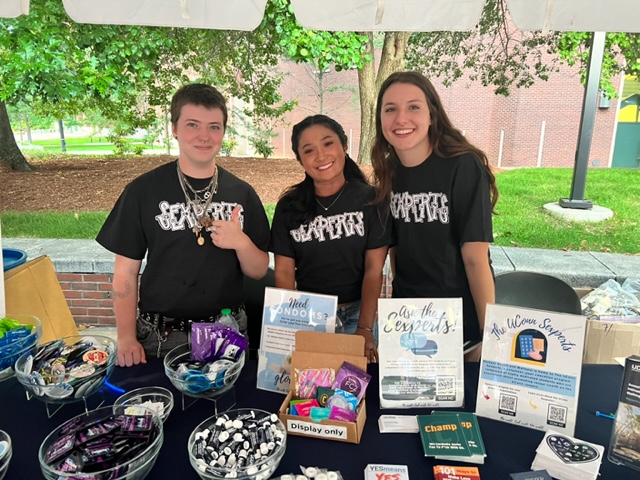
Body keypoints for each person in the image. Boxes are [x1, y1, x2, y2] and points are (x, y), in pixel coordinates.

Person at [96, 83, 270, 367]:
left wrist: (241, 242)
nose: (204, 136)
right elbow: (125, 271)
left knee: (227, 410)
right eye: (193, 125)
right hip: (161, 334)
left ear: (224, 131)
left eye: (214, 126)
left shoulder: (242, 193)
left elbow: (259, 269)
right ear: (174, 128)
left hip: (227, 329)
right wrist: (126, 336)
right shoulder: (142, 191)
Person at [371, 71, 498, 359]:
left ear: (432, 115)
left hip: (460, 321)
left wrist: (490, 338)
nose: (401, 118)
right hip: (411, 321)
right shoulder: (389, 170)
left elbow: (476, 259)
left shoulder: (463, 166)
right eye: (390, 109)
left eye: (413, 107)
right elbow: (396, 248)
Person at [270, 114, 391, 363]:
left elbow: (374, 270)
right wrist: (286, 327)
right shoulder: (289, 206)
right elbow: (284, 272)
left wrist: (365, 329)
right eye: (309, 150)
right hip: (308, 314)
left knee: (354, 391)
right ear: (300, 159)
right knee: (308, 392)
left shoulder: (372, 201)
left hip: (358, 313)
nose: (321, 156)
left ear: (344, 145)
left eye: (328, 144)